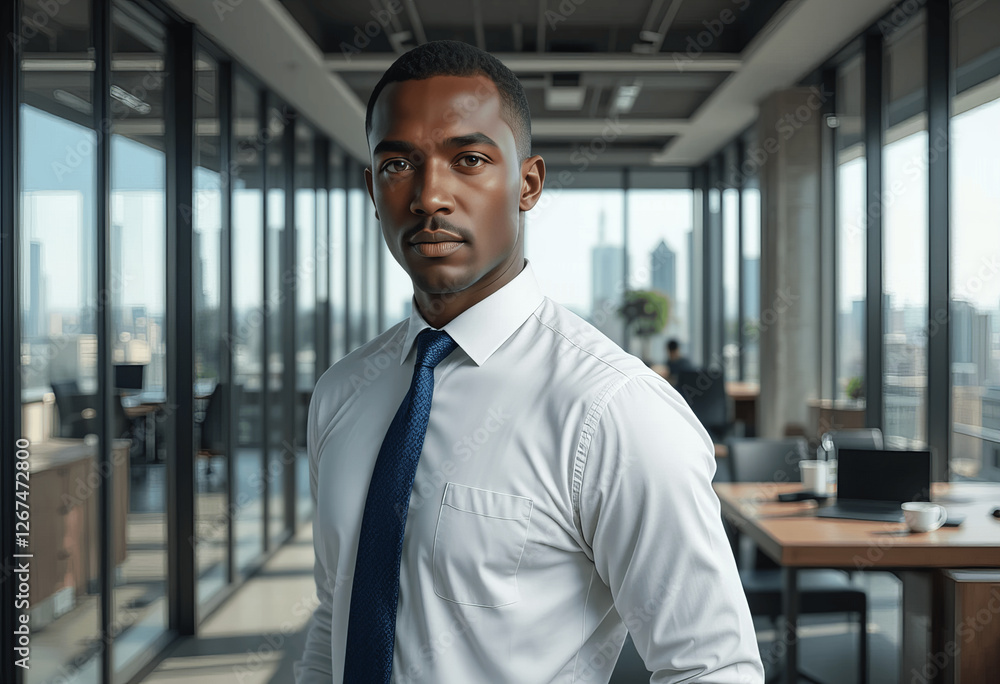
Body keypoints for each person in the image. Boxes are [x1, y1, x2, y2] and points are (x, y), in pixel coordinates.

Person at [294, 40, 763, 684]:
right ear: (372, 188)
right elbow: (334, 618)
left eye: (469, 160)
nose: (431, 195)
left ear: (528, 183)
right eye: (399, 163)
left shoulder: (614, 411)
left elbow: (712, 669)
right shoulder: (343, 392)